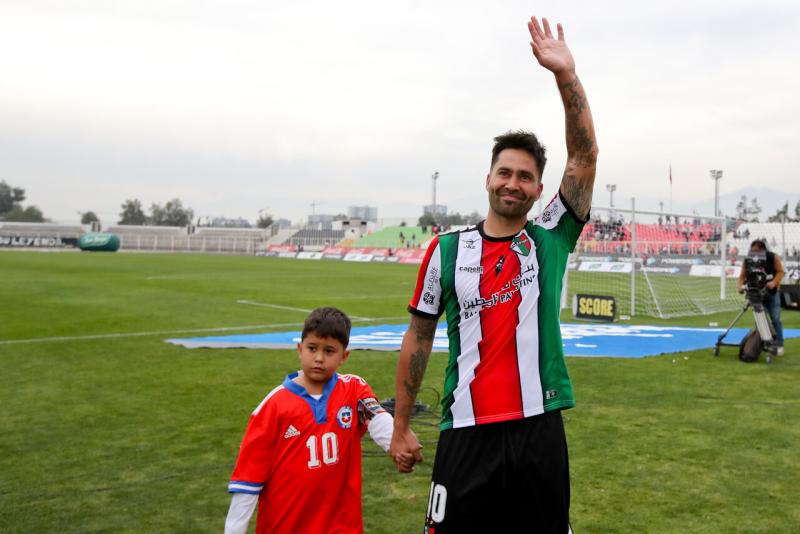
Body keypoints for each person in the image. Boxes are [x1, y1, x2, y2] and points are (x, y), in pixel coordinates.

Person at [390, 16, 597, 533]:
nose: (513, 183)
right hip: (464, 430)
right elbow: (418, 337)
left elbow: (585, 155)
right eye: (505, 172)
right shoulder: (445, 251)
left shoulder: (549, 235)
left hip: (538, 430)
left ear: (537, 188)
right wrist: (399, 426)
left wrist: (565, 76)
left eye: (525, 176)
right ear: (488, 178)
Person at [224, 307, 400, 534]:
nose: (318, 358)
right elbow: (247, 483)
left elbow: (377, 418)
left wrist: (397, 443)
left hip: (342, 527)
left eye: (329, 351)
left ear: (344, 356)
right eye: (312, 348)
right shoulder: (273, 406)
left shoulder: (354, 389)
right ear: (300, 349)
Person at [738, 240, 785, 356]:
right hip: (756, 292)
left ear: (764, 249)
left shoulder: (773, 258)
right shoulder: (748, 260)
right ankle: (758, 344)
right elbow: (742, 275)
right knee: (759, 320)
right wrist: (740, 286)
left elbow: (780, 272)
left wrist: (774, 282)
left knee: (775, 319)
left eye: (757, 250)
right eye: (753, 250)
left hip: (772, 292)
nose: (755, 253)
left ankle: (779, 344)